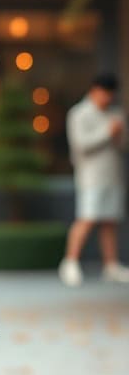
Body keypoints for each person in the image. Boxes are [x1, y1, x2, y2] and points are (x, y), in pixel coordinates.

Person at [59, 73, 129, 286]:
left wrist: (117, 135)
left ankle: (111, 265)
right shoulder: (79, 113)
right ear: (95, 90)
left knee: (110, 221)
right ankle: (69, 263)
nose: (107, 98)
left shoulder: (116, 113)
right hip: (91, 176)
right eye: (105, 93)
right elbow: (80, 144)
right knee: (87, 218)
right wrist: (108, 132)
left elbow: (123, 145)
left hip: (113, 175)